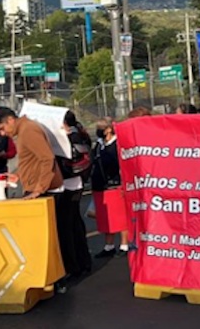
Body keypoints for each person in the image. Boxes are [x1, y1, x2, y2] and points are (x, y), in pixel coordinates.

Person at [0, 107, 66, 290]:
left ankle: (54, 280)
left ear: (9, 120)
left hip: (43, 190)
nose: (3, 134)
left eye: (1, 128)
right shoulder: (26, 130)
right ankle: (53, 279)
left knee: (46, 239)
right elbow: (32, 161)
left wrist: (39, 189)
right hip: (37, 187)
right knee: (45, 238)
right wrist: (20, 176)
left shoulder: (28, 130)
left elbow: (47, 159)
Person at [57, 111, 92, 279]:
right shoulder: (80, 135)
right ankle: (82, 261)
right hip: (75, 183)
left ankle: (74, 264)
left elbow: (72, 159)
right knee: (75, 224)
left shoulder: (70, 138)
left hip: (68, 183)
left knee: (67, 227)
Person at [91, 122, 128, 257]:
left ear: (109, 129)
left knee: (120, 217)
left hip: (115, 184)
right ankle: (109, 245)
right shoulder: (99, 145)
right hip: (101, 185)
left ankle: (124, 245)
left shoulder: (117, 144)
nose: (98, 131)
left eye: (101, 128)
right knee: (106, 218)